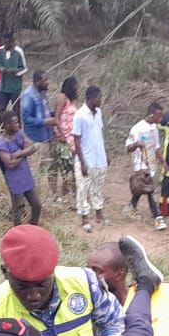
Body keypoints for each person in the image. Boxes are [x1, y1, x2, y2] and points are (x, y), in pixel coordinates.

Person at [72, 85, 109, 233]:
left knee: (98, 187)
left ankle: (99, 213)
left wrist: (106, 153)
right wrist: (82, 162)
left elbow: (100, 133)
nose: (101, 100)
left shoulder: (98, 112)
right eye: (99, 98)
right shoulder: (80, 115)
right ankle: (85, 218)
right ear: (92, 98)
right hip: (86, 158)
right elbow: (76, 140)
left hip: (99, 158)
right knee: (83, 188)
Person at [0, 112, 42, 225]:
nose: (18, 124)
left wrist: (17, 154)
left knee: (37, 205)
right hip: (14, 180)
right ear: (7, 125)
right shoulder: (1, 142)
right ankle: (17, 231)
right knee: (17, 211)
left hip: (26, 176)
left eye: (17, 122)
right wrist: (24, 152)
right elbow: (10, 164)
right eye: (15, 123)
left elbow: (32, 147)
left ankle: (33, 226)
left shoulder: (19, 133)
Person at [126, 101, 166, 230]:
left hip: (151, 164)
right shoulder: (137, 128)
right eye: (159, 116)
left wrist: (163, 162)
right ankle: (157, 218)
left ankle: (130, 208)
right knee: (150, 190)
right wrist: (137, 144)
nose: (160, 118)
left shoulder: (154, 128)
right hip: (140, 164)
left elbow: (157, 147)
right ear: (151, 115)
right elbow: (128, 147)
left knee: (141, 189)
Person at [48, 76, 79, 205]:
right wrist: (63, 136)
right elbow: (56, 119)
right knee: (64, 168)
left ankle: (69, 195)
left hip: (72, 137)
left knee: (72, 168)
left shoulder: (72, 101)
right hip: (62, 138)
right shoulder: (62, 98)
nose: (77, 89)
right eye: (75, 86)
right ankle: (60, 195)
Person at [0, 31, 27, 116]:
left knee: (16, 110)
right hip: (3, 87)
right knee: (2, 109)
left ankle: (17, 124)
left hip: (15, 87)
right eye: (4, 43)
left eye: (7, 42)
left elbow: (24, 68)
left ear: (12, 41)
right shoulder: (0, 51)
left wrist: (15, 71)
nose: (5, 45)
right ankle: (2, 125)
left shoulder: (18, 51)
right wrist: (0, 69)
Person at [20, 70, 55, 145]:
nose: (48, 82)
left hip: (47, 135)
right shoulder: (28, 96)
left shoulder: (42, 92)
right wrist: (44, 121)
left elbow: (44, 112)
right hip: (35, 139)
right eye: (45, 80)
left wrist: (53, 114)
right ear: (38, 82)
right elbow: (26, 119)